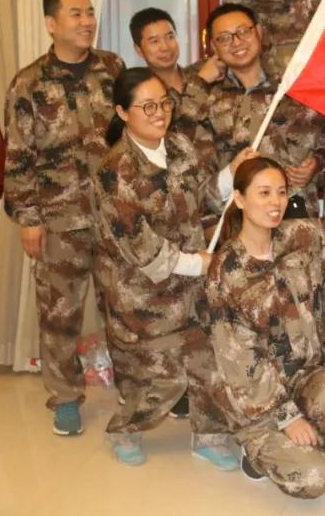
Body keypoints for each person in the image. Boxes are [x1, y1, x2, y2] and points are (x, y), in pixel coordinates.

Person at [205, 137, 325, 502]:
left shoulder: (299, 236)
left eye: (281, 192)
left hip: (303, 374)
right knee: (313, 478)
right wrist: (287, 417)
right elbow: (241, 364)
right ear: (239, 199)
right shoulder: (227, 271)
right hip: (255, 398)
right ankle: (256, 449)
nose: (275, 203)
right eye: (263, 193)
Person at [92, 68, 236, 469]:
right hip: (143, 293)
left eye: (165, 103)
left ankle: (209, 437)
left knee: (209, 358)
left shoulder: (179, 146)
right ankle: (125, 430)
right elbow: (139, 245)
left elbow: (203, 197)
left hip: (192, 283)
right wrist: (196, 263)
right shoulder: (115, 170)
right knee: (162, 377)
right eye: (148, 106)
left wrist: (232, 173)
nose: (160, 113)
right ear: (123, 112)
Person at [3, 0, 124, 436]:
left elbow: (133, 136)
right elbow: (18, 155)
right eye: (76, 13)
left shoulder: (113, 69)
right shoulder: (29, 82)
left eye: (90, 12)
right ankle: (67, 398)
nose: (87, 21)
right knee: (59, 314)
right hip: (58, 218)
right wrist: (28, 219)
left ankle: (136, 387)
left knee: (124, 306)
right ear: (51, 24)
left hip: (114, 216)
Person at [192, 3, 325, 220]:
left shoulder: (294, 84)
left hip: (297, 218)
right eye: (224, 38)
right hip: (238, 221)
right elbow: (197, 177)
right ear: (214, 46)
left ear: (258, 32)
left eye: (243, 32)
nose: (236, 42)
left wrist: (317, 163)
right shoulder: (208, 98)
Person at [127, 7, 220, 144]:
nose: (165, 47)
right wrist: (200, 83)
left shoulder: (205, 69)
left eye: (170, 37)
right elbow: (171, 139)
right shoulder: (141, 93)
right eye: (154, 41)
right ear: (139, 50)